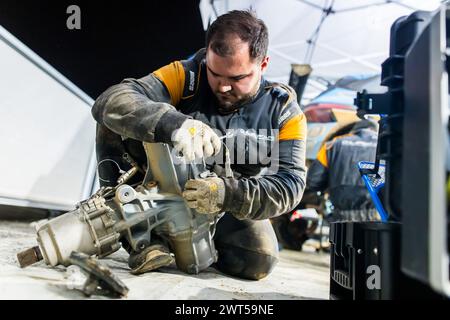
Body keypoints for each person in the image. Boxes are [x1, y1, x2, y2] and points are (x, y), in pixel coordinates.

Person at [91, 10, 307, 280]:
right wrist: (174, 123)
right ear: (207, 55)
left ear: (263, 65)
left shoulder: (283, 110)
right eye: (216, 74)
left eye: (238, 78)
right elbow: (111, 100)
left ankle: (188, 241)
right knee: (117, 118)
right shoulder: (187, 75)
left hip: (225, 201)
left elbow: (291, 184)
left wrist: (227, 194)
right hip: (157, 186)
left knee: (259, 258)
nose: (224, 87)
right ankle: (134, 235)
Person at [306, 119, 379, 222]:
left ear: (353, 131)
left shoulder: (332, 145)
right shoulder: (386, 146)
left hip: (342, 217)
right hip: (378, 215)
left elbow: (313, 180)